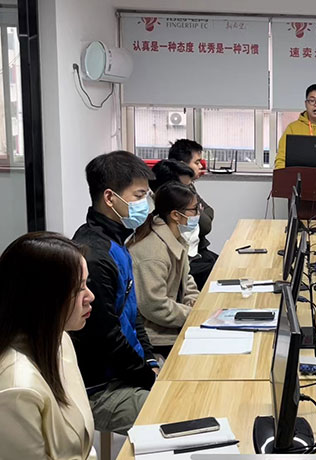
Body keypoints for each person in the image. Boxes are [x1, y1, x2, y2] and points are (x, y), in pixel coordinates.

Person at [71, 151, 158, 435]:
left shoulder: (115, 240)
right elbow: (105, 337)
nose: (146, 204)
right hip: (102, 388)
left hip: (127, 370)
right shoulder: (94, 255)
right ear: (110, 198)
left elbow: (132, 314)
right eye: (139, 195)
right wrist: (149, 378)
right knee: (177, 410)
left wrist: (151, 361)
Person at [0, 232, 96, 459]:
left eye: (87, 284)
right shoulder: (17, 388)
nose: (90, 296)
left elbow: (82, 444)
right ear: (44, 299)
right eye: (78, 289)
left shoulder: (59, 339)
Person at [129, 182, 200, 357]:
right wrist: (193, 315)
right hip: (158, 338)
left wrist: (195, 303)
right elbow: (155, 305)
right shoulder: (153, 253)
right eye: (194, 209)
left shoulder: (174, 238)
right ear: (175, 215)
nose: (198, 214)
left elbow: (186, 280)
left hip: (173, 325)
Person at [168, 139, 218, 289]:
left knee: (225, 264)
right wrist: (202, 212)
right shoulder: (176, 192)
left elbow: (209, 211)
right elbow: (206, 225)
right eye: (197, 162)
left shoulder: (189, 186)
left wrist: (201, 212)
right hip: (189, 257)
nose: (201, 166)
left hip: (199, 250)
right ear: (182, 165)